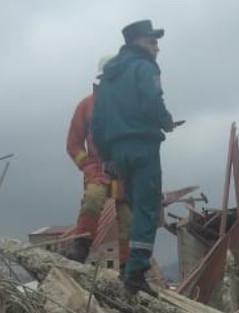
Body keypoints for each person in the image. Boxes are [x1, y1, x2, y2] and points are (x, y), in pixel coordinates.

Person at [92, 19, 176, 296]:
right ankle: (136, 275)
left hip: (118, 153)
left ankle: (130, 270)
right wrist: (165, 121)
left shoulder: (108, 78)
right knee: (147, 209)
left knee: (132, 208)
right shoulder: (145, 66)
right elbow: (152, 101)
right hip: (143, 146)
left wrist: (107, 157)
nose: (157, 48)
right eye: (153, 42)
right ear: (138, 42)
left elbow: (98, 122)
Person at [64, 56, 132, 268]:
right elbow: (73, 144)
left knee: (129, 220)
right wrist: (88, 166)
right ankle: (80, 248)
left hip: (126, 172)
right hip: (98, 170)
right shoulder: (86, 106)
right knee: (92, 200)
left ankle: (128, 268)